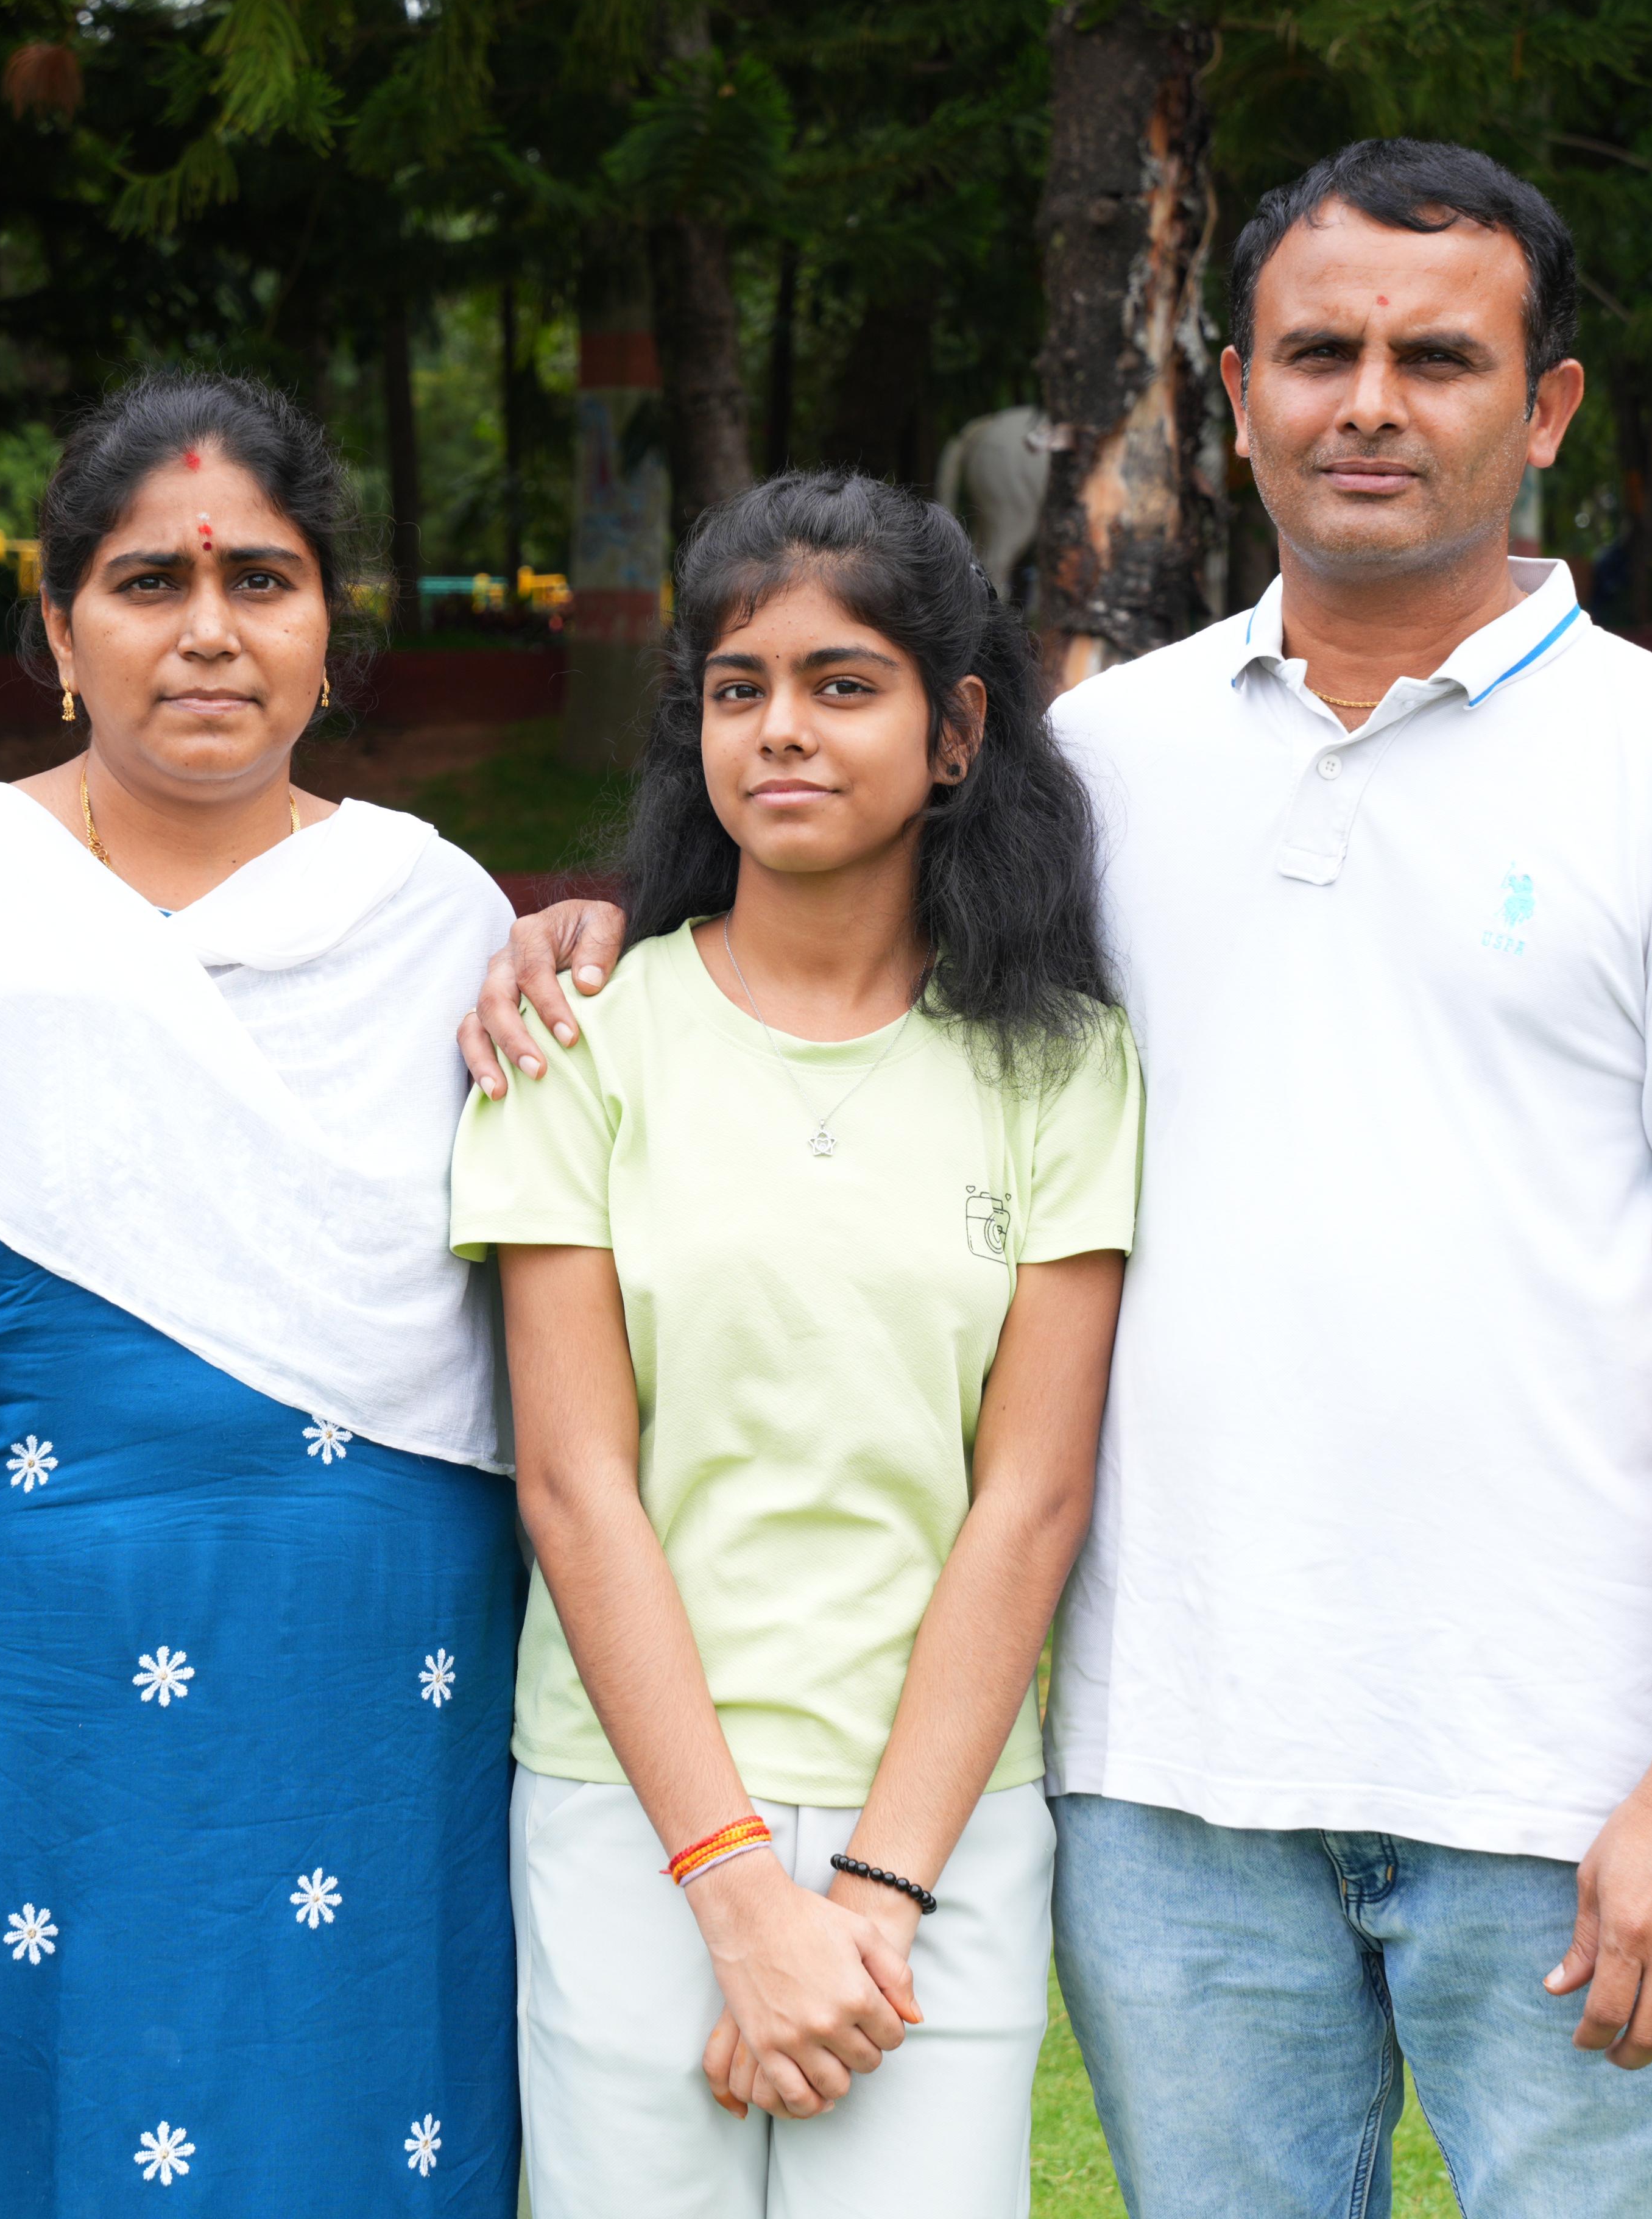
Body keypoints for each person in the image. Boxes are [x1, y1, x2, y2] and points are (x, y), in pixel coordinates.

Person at [468, 141, 1652, 2216]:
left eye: (1437, 358)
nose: (1368, 404)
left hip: (1558, 1780)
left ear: (1547, 406)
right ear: (1235, 392)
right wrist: (587, 933)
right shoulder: (1108, 768)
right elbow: (804, 925)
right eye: (1317, 353)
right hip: (1170, 1793)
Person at [0, 371, 529, 2214]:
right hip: (17, 1768)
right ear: (59, 632)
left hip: (388, 1756)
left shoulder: (441, 924)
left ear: (329, 630)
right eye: (150, 583)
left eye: (263, 581)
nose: (210, 632)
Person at [451, 472, 1142, 2219]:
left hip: (943, 1822)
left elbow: (1031, 1503)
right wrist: (737, 1890)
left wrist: (880, 1896)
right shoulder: (578, 1038)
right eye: (738, 687)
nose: (782, 729)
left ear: (955, 731)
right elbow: (575, 1487)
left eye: (845, 685)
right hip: (628, 1809)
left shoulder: (1062, 1063)